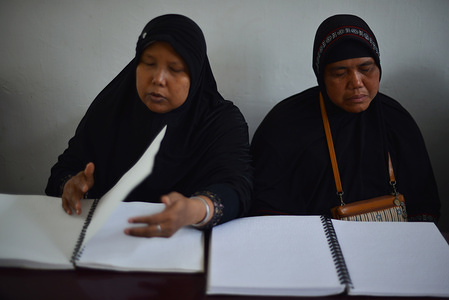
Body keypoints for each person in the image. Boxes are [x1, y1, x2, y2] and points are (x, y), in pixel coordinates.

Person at [45, 14, 253, 237]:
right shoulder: (112, 108)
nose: (158, 78)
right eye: (149, 63)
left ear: (195, 73)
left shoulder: (220, 121)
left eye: (175, 69)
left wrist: (194, 209)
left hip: (184, 243)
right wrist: (71, 185)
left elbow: (237, 188)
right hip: (107, 239)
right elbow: (65, 169)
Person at [250, 14, 440, 222]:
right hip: (309, 247)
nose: (356, 82)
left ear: (378, 68)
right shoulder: (285, 124)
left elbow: (423, 204)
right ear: (321, 75)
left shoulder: (396, 120)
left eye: (366, 69)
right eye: (340, 73)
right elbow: (265, 209)